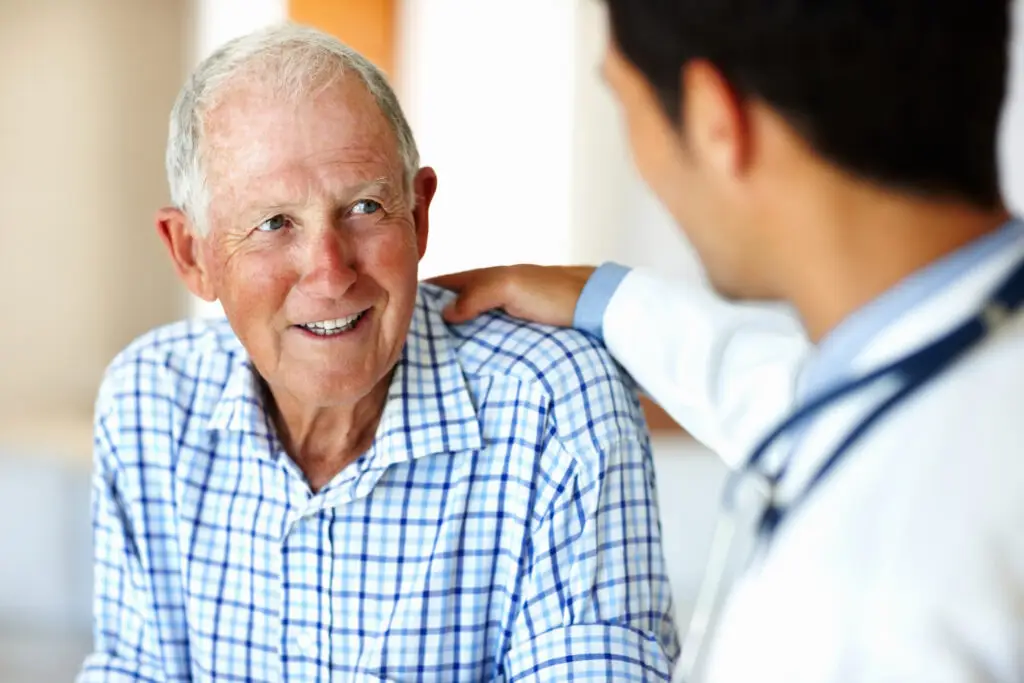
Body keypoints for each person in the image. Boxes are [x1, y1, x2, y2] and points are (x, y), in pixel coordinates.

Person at [432, 1, 1024, 681]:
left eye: (625, 102)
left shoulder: (881, 590)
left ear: (717, 121)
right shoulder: (956, 379)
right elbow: (817, 398)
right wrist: (613, 301)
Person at [77, 24, 679, 682]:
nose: (330, 273)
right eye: (274, 223)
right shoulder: (150, 400)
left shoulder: (554, 402)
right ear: (192, 254)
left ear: (418, 216)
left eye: (364, 206)